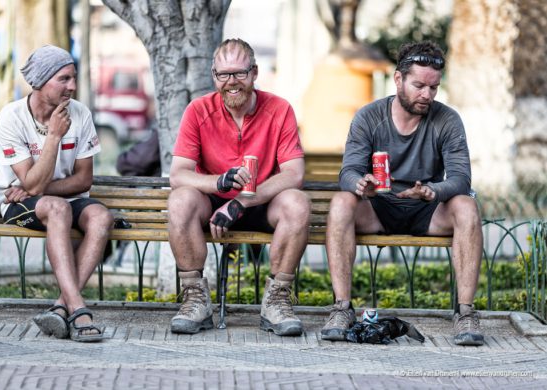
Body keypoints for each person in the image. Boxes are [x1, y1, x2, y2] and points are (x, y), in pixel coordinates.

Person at [321, 41, 484, 346]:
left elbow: (461, 179)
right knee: (342, 202)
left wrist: (431, 191)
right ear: (399, 79)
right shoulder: (369, 117)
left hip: (426, 208)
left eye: (434, 87)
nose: (427, 94)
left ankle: (465, 313)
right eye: (419, 85)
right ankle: (342, 308)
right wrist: (360, 184)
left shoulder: (447, 120)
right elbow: (348, 172)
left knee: (466, 206)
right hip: (378, 207)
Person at [167, 38, 310, 336]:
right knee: (180, 200)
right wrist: (217, 182)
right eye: (224, 75)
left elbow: (294, 174)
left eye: (239, 74)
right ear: (214, 76)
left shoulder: (280, 109)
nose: (232, 82)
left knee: (296, 202)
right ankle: (196, 299)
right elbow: (178, 174)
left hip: (262, 202)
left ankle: (277, 301)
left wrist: (242, 202)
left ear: (254, 73)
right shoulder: (197, 110)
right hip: (212, 206)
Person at [0, 45, 113, 342]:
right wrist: (55, 136)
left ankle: (60, 307)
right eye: (63, 79)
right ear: (40, 82)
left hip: (59, 198)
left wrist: (36, 186)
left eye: (73, 78)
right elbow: (30, 186)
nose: (72, 86)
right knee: (57, 208)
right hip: (17, 207)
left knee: (101, 215)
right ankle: (79, 309)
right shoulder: (10, 119)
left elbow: (83, 179)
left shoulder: (80, 114)